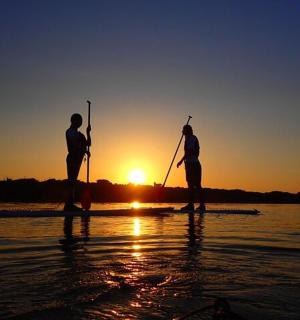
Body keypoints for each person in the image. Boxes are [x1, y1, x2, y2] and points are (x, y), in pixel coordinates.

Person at [64, 113, 91, 211]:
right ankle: (68, 205)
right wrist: (84, 151)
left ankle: (69, 205)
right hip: (72, 158)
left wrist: (88, 132)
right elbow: (74, 146)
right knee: (71, 182)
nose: (81, 123)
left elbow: (88, 143)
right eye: (79, 121)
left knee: (73, 182)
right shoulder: (70, 132)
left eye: (81, 122)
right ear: (74, 121)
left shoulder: (80, 134)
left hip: (78, 159)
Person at [177, 124, 205, 212]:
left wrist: (181, 160)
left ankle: (201, 205)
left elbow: (190, 151)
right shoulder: (188, 139)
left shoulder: (192, 139)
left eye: (183, 130)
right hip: (189, 165)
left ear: (187, 131)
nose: (182, 132)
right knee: (190, 185)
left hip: (194, 165)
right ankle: (191, 205)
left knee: (196, 185)